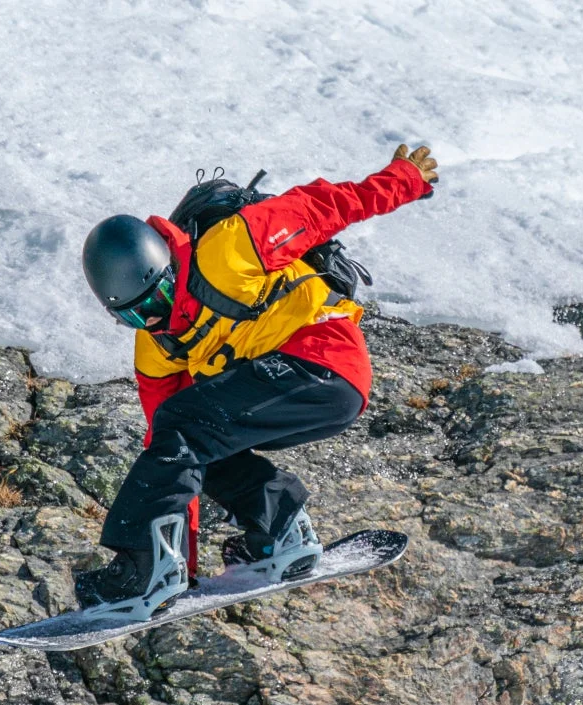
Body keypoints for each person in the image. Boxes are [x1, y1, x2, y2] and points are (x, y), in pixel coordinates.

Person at [72, 144, 439, 619]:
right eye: (134, 315)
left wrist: (403, 178)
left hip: (325, 362)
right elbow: (168, 455)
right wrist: (188, 565)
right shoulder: (157, 344)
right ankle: (281, 534)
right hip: (285, 384)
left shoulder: (229, 248)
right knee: (190, 441)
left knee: (184, 425)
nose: (154, 316)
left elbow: (324, 205)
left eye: (158, 296)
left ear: (168, 264)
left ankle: (141, 571)